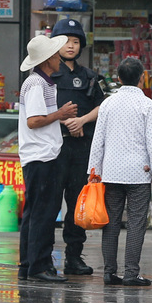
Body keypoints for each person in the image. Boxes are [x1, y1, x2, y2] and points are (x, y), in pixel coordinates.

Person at [88, 57, 152, 287]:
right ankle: (131, 272)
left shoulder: (108, 104)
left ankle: (109, 272)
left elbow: (98, 140)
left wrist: (94, 170)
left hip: (110, 172)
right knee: (136, 222)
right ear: (142, 78)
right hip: (139, 173)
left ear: (119, 78)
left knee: (110, 222)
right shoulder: (148, 105)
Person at [17, 35, 78, 283]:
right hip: (40, 155)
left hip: (42, 154)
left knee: (36, 212)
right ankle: (39, 265)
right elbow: (34, 121)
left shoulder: (42, 83)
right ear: (47, 60)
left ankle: (29, 263)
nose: (59, 58)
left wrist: (58, 117)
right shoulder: (36, 85)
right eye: (55, 55)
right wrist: (60, 113)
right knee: (42, 212)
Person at [50, 19, 104, 276]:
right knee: (49, 204)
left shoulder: (89, 76)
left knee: (77, 203)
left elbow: (101, 107)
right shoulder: (46, 74)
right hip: (54, 148)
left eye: (75, 41)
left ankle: (74, 257)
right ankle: (43, 256)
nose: (70, 46)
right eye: (65, 41)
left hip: (81, 148)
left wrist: (81, 120)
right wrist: (64, 121)